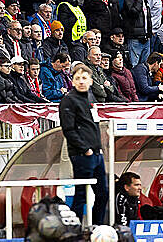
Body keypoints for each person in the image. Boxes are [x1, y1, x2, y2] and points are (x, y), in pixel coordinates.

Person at [58, 63, 108, 225]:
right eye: (77, 78)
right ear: (72, 81)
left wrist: (98, 149)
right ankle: (75, 229)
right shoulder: (68, 100)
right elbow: (69, 129)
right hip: (82, 155)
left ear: (91, 81)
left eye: (84, 78)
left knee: (103, 193)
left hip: (96, 154)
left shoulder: (90, 97)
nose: (81, 81)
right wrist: (85, 149)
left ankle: (97, 226)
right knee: (81, 194)